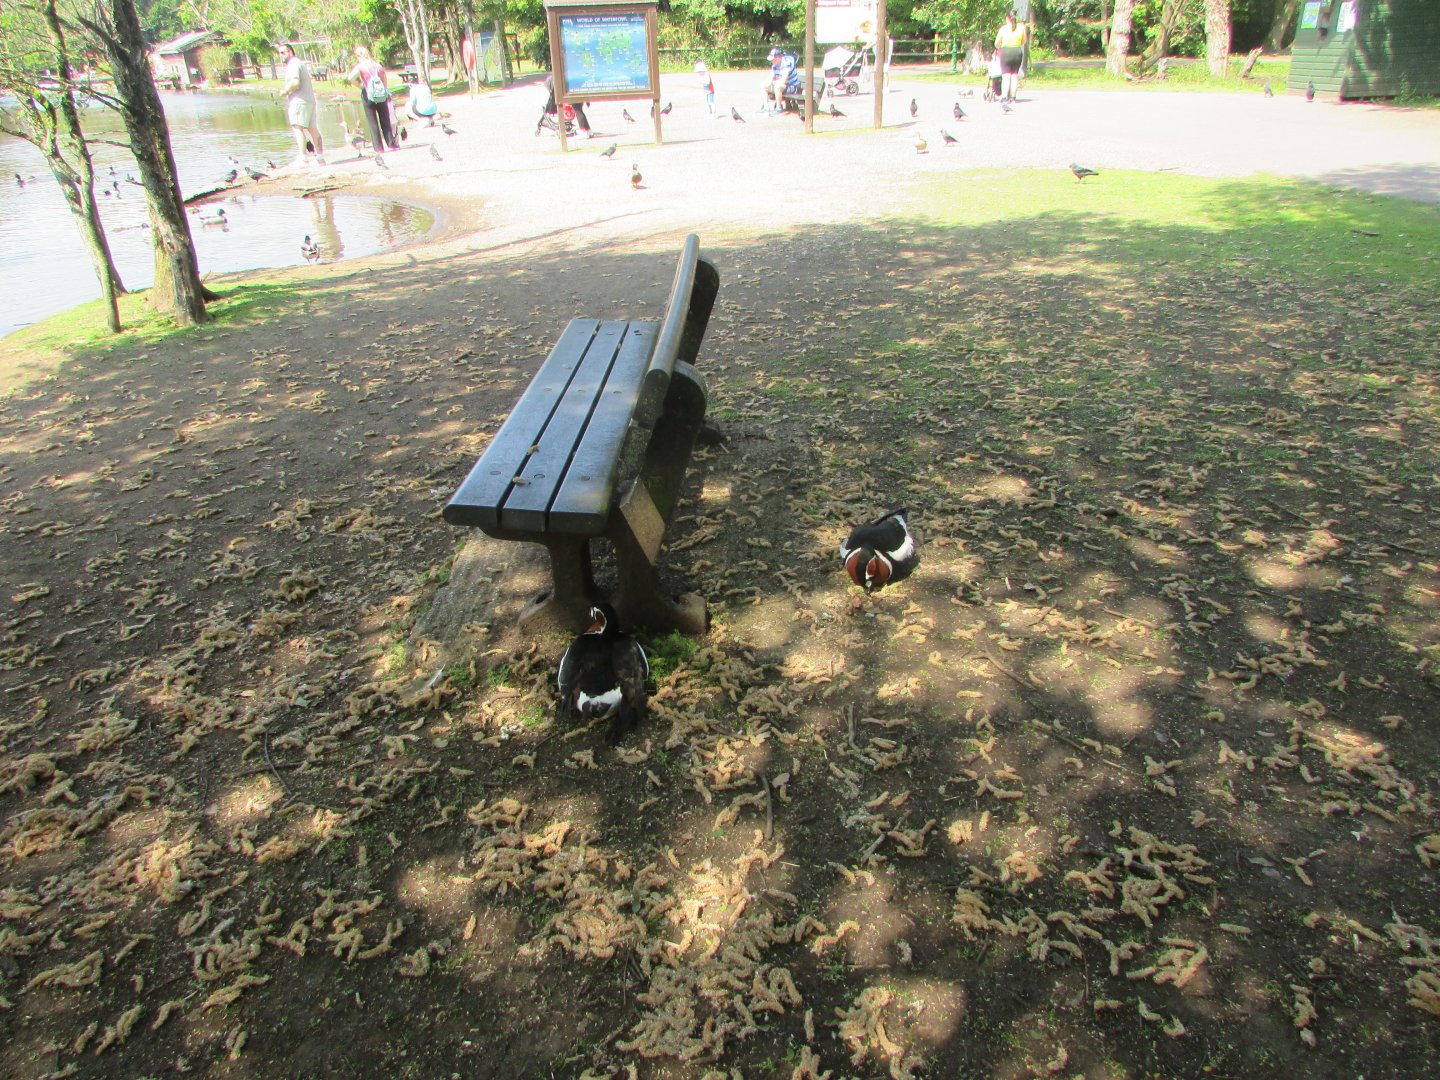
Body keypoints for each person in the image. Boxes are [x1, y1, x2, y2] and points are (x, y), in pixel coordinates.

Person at [278, 43, 325, 167]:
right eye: (279, 53)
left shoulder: (293, 64)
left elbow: (295, 81)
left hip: (299, 100)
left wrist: (285, 91)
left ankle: (303, 158)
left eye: (283, 52)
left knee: (297, 127)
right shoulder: (299, 63)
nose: (280, 55)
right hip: (309, 100)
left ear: (290, 52)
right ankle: (320, 157)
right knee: (312, 128)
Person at [348, 46, 397, 152]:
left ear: (358, 56)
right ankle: (391, 143)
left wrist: (360, 85)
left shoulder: (360, 67)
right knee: (385, 118)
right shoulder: (376, 65)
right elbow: (384, 77)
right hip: (380, 93)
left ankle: (378, 148)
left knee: (372, 122)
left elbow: (350, 78)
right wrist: (383, 89)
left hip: (367, 94)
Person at [994, 10, 1027, 103]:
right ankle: (1013, 97)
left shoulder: (1003, 29)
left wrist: (1000, 45)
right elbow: (1024, 41)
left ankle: (1004, 97)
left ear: (1007, 18)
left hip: (1006, 52)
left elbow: (996, 43)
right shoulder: (1021, 27)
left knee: (1006, 76)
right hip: (1017, 52)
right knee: (1014, 76)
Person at [763, 47, 797, 114]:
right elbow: (771, 76)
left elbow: (784, 80)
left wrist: (773, 83)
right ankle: (766, 108)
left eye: (773, 59)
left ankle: (779, 108)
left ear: (778, 57)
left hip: (791, 86)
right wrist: (768, 83)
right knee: (763, 85)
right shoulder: (775, 64)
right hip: (782, 86)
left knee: (777, 86)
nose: (772, 61)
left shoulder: (787, 63)